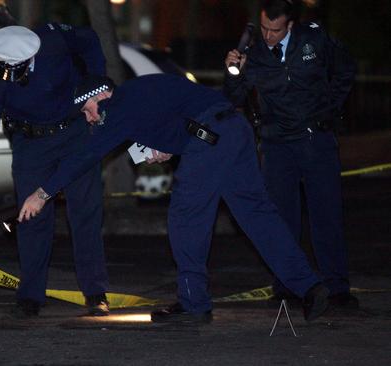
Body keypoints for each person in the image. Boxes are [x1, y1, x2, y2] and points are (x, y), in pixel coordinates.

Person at [18, 74, 330, 323]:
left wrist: (42, 193)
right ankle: (310, 286)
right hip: (236, 129)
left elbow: (85, 156)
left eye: (86, 111)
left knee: (185, 218)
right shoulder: (140, 91)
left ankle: (194, 304)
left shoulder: (119, 108)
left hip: (210, 141)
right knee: (258, 215)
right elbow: (183, 112)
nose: (88, 120)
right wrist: (172, 145)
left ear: (100, 96)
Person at [0, 24, 110, 318]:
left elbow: (90, 39)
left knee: (85, 211)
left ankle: (95, 291)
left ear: (31, 57)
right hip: (31, 143)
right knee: (30, 216)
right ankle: (30, 295)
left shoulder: (54, 42)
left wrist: (98, 83)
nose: (11, 77)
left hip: (75, 133)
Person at [223, 0, 357, 308]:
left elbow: (345, 69)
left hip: (316, 140)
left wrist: (331, 108)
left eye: (276, 30)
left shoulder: (314, 38)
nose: (269, 36)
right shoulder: (253, 53)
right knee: (282, 218)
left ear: (290, 25)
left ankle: (336, 287)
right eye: (265, 28)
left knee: (327, 214)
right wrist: (233, 73)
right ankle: (287, 284)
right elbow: (233, 98)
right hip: (276, 144)